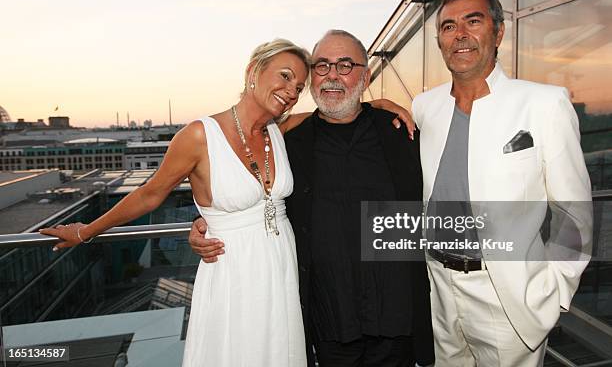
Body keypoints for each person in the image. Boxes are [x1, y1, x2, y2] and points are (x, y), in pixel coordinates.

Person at [41, 38, 312, 366]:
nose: (292, 91)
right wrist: (87, 231)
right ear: (253, 71)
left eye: (299, 86)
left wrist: (380, 105)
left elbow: (334, 113)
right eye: (285, 76)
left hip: (280, 265)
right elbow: (150, 194)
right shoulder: (199, 135)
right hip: (233, 271)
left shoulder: (279, 131)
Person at [191, 30, 435, 367]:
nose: (332, 75)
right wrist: (204, 223)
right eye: (322, 66)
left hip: (396, 317)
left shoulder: (400, 131)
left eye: (345, 65)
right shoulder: (287, 143)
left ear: (365, 77)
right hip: (330, 319)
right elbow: (243, 189)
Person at [411, 0, 592, 366]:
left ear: (498, 33)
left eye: (472, 21)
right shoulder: (425, 107)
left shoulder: (544, 103)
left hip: (508, 297)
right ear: (440, 42)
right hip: (439, 289)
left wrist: (555, 290)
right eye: (448, 26)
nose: (459, 33)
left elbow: (573, 213)